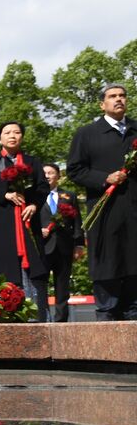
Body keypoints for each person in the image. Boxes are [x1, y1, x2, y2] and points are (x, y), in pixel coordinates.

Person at [67, 83, 137, 320]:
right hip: (105, 212)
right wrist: (104, 178)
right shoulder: (86, 134)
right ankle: (107, 316)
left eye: (122, 96)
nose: (119, 99)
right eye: (113, 96)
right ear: (102, 104)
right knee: (108, 263)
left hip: (134, 211)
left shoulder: (135, 129)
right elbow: (75, 170)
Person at [0, 122, 49, 320]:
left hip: (28, 221)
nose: (12, 136)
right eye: (7, 133)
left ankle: (37, 315)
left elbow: (42, 187)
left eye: (17, 132)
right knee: (3, 269)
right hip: (2, 224)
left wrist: (34, 204)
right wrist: (5, 196)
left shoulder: (32, 162)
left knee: (33, 271)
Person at [38, 163, 82, 322]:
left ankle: (61, 319)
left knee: (62, 285)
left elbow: (77, 221)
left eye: (51, 173)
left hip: (64, 246)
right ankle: (42, 317)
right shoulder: (33, 195)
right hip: (41, 247)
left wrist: (79, 244)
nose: (48, 176)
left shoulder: (69, 196)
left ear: (58, 176)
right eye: (45, 173)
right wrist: (37, 231)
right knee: (40, 284)